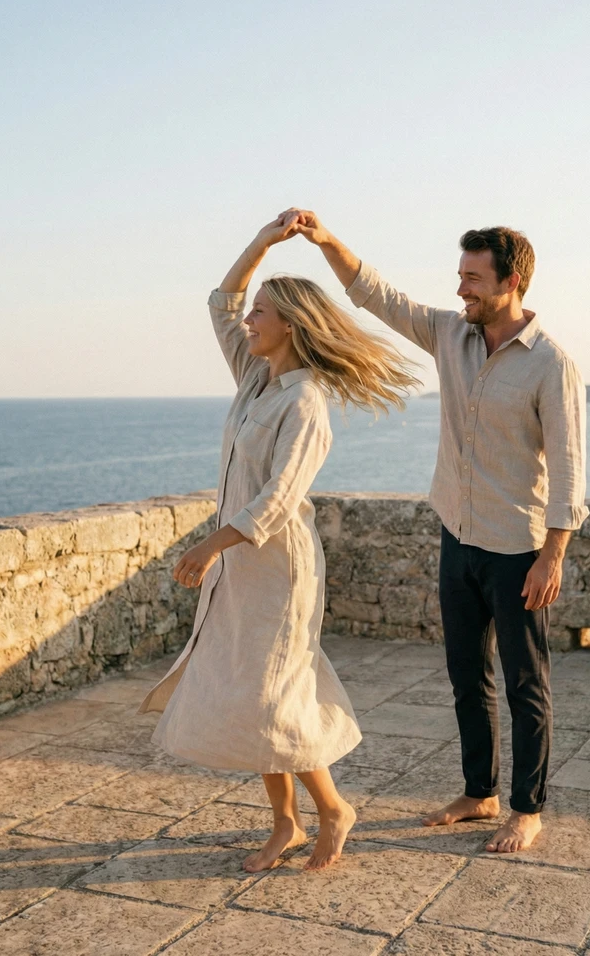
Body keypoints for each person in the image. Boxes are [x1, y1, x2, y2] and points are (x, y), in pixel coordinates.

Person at [281, 207, 588, 853]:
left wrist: (552, 556)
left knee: (526, 684)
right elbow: (376, 296)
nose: (460, 289)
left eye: (473, 278)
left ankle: (528, 809)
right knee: (465, 675)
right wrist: (326, 239)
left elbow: (568, 469)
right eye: (460, 276)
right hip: (459, 534)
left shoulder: (550, 364)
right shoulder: (452, 335)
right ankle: (481, 794)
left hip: (518, 547)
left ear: (512, 282)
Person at [138, 213, 420, 871]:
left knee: (274, 697)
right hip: (239, 566)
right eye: (254, 311)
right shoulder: (255, 377)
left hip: (277, 570)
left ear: (290, 325)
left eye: (262, 313)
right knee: (245, 692)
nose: (249, 321)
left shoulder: (306, 403)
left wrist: (210, 546)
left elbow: (277, 501)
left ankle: (332, 809)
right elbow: (221, 301)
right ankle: (286, 822)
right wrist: (265, 241)